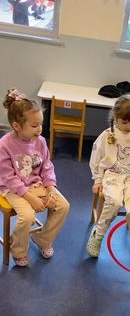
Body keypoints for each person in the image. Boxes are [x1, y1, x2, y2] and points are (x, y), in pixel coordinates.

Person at [0, 89, 70, 267]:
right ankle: (18, 249)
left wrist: (51, 188)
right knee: (27, 217)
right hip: (13, 189)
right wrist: (30, 197)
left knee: (63, 205)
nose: (39, 129)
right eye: (34, 125)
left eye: (41, 124)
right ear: (17, 126)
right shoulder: (4, 145)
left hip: (35, 183)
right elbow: (8, 178)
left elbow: (47, 166)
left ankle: (42, 239)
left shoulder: (40, 141)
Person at [87, 94, 130, 257]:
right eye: (124, 122)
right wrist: (97, 179)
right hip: (112, 175)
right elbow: (96, 157)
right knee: (113, 203)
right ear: (115, 117)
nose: (129, 126)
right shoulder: (107, 135)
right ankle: (97, 235)